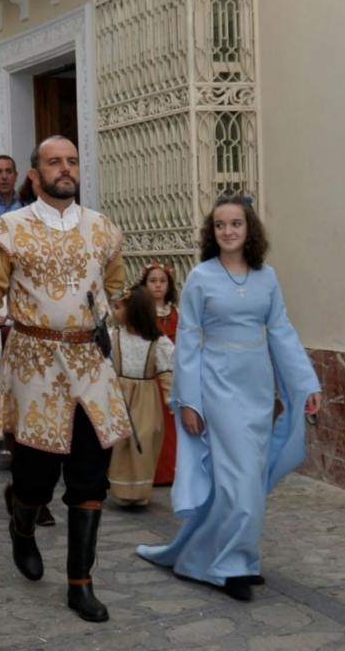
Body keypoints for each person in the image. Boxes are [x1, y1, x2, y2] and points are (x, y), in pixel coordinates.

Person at [0, 136, 130, 624]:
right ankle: (23, 520)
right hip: (34, 366)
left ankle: (81, 584)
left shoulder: (102, 229)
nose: (65, 169)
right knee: (35, 475)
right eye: (54, 162)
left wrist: (112, 319)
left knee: (90, 473)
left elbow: (115, 286)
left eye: (72, 161)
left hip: (90, 366)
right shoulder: (8, 230)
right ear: (34, 175)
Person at [138, 197, 322, 601]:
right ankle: (234, 565)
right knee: (239, 480)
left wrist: (305, 385)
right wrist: (189, 400)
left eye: (236, 223)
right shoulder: (201, 278)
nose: (228, 231)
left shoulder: (267, 278)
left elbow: (281, 331)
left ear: (249, 229)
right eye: (220, 225)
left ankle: (214, 556)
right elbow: (187, 339)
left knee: (247, 481)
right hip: (217, 387)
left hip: (257, 388)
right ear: (212, 232)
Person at [108, 291, 174, 507]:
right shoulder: (114, 336)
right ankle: (122, 489)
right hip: (119, 394)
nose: (113, 312)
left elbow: (166, 370)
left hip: (146, 398)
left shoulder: (157, 341)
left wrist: (170, 398)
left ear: (133, 311)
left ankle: (140, 490)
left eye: (118, 307)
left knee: (144, 439)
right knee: (122, 443)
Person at [140, 263, 181, 487]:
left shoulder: (176, 312)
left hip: (173, 374)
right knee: (152, 424)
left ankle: (171, 470)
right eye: (153, 281)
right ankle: (151, 472)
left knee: (172, 423)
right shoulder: (143, 314)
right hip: (151, 375)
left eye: (162, 281)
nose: (157, 285)